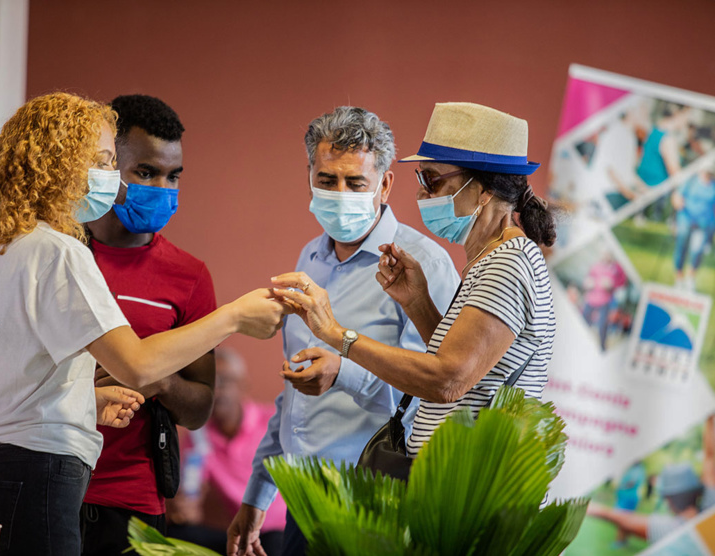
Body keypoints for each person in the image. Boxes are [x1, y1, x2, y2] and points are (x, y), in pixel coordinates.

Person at [0, 92, 287, 556]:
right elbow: (137, 365)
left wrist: (83, 400)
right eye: (103, 162)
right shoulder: (61, 252)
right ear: (61, 165)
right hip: (37, 482)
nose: (109, 179)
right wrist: (236, 316)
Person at [228, 106, 459, 556]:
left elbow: (435, 394)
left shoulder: (422, 264)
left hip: (377, 503)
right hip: (302, 499)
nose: (339, 194)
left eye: (355, 183)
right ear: (309, 175)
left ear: (385, 184)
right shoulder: (309, 259)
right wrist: (258, 494)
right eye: (327, 180)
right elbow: (292, 397)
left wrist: (345, 372)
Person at [272, 102, 557, 458]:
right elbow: (470, 368)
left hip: (476, 486)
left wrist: (334, 334)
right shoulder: (493, 260)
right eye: (422, 179)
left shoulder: (508, 265)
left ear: (483, 190)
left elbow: (447, 381)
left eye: (432, 180)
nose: (422, 193)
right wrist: (419, 303)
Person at [79, 95, 217, 554]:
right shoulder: (58, 256)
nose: (162, 187)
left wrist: (154, 377)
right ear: (105, 165)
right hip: (51, 480)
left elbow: (199, 409)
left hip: (135, 501)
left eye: (173, 176)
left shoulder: (189, 276)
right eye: (145, 172)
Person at [165, 348, 287, 554]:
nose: (216, 392)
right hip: (238, 537)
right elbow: (191, 487)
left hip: (279, 532)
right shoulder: (198, 437)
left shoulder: (273, 422)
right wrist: (186, 507)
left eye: (223, 382)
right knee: (176, 535)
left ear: (243, 385)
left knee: (274, 542)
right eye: (209, 384)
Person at [588, 416, 715, 543]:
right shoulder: (710, 507)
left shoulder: (674, 530)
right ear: (698, 490)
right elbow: (710, 457)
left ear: (669, 499)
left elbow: (622, 519)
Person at [671, 170, 715, 291]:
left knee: (697, 250)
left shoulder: (713, 185)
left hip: (704, 224)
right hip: (686, 219)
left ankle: (690, 278)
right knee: (681, 248)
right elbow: (676, 197)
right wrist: (678, 203)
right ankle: (679, 278)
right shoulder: (691, 180)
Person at [581, 251, 628, 351]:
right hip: (591, 299)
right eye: (604, 255)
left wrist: (611, 285)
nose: (606, 257)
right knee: (583, 320)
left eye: (608, 255)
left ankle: (602, 347)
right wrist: (588, 283)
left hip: (604, 301)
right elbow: (587, 279)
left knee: (602, 326)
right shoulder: (595, 266)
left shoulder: (615, 268)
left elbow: (622, 281)